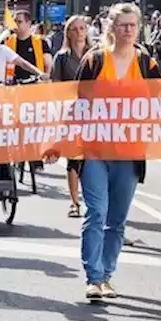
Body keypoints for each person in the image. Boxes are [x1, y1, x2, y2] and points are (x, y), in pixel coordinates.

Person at [76, 3, 161, 300]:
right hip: (95, 152)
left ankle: (107, 274)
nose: (128, 30)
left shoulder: (145, 63)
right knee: (96, 212)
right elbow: (75, 102)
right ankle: (93, 277)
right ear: (111, 27)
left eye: (133, 25)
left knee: (117, 219)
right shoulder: (95, 61)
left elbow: (159, 96)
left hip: (129, 153)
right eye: (122, 25)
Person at [51, 15, 90, 218]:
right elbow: (56, 84)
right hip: (72, 112)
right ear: (68, 33)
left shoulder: (95, 54)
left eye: (82, 28)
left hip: (94, 114)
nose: (79, 32)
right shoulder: (62, 57)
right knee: (73, 158)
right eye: (74, 29)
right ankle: (75, 201)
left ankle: (92, 200)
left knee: (92, 158)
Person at [5, 9, 52, 80]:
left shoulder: (41, 41)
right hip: (12, 85)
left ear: (29, 23)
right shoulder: (7, 41)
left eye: (19, 22)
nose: (15, 24)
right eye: (14, 21)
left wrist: (45, 79)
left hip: (36, 84)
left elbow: (48, 64)